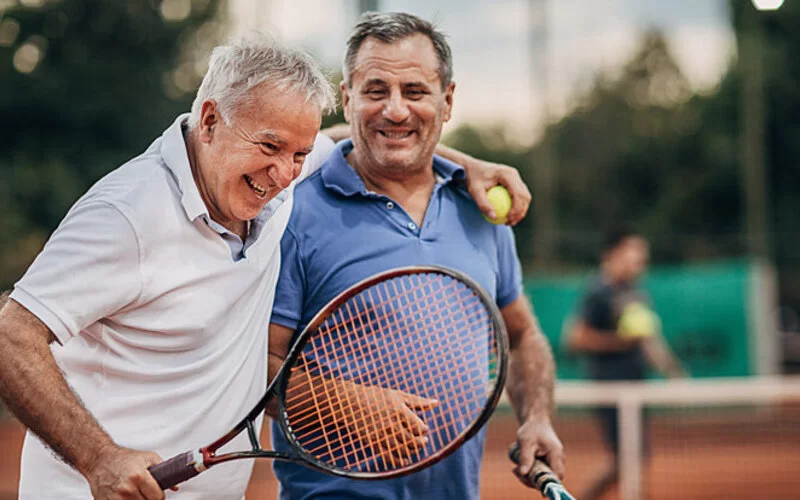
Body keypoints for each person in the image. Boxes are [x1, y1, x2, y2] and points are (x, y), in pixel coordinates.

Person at [0, 35, 531, 500]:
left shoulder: (270, 187)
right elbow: (10, 334)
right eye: (271, 147)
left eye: (299, 154)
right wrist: (98, 457)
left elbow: (365, 137)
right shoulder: (127, 214)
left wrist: (469, 164)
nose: (284, 173)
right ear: (210, 120)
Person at [267, 12, 564, 500]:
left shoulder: (483, 209)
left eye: (416, 92)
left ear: (447, 101)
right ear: (347, 99)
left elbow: (522, 334)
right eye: (376, 91)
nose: (396, 110)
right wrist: (343, 405)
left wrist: (538, 419)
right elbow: (256, 363)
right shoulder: (293, 211)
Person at [565, 226, 685, 500]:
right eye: (634, 255)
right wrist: (621, 341)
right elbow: (576, 338)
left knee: (633, 458)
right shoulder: (597, 290)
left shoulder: (636, 291)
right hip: (609, 387)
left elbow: (648, 340)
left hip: (635, 386)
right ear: (614, 254)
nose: (639, 263)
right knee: (628, 458)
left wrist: (671, 370)